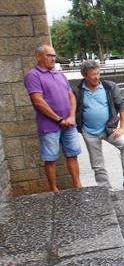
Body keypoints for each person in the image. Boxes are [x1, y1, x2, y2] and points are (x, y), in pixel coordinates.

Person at [72, 61, 124, 192]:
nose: (97, 77)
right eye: (93, 75)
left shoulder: (109, 87)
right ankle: (105, 189)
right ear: (84, 76)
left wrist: (122, 127)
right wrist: (78, 126)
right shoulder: (77, 91)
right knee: (97, 163)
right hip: (89, 132)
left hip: (109, 128)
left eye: (98, 73)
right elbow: (72, 109)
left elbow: (121, 105)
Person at [24, 44, 82, 192]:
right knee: (50, 159)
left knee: (73, 155)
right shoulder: (33, 75)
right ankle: (54, 190)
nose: (53, 58)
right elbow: (38, 101)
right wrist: (58, 119)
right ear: (38, 57)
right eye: (49, 55)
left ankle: (78, 186)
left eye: (54, 55)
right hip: (49, 126)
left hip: (69, 124)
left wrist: (71, 116)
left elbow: (71, 96)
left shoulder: (59, 74)